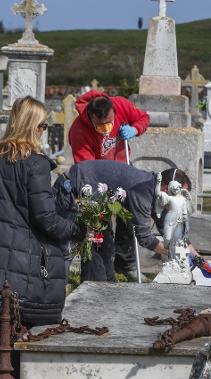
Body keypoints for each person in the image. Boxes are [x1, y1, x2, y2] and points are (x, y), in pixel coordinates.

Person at [0, 96, 83, 377]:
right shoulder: (34, 164)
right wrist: (77, 229)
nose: (44, 131)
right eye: (43, 126)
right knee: (23, 326)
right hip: (24, 260)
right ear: (33, 126)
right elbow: (45, 218)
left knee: (3, 326)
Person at [54, 161, 199, 282]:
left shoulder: (159, 194)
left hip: (96, 201)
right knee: (69, 249)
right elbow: (145, 238)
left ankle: (105, 296)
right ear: (166, 188)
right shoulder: (143, 192)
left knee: (105, 251)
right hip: (73, 189)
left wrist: (197, 258)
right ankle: (53, 294)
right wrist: (176, 253)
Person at [69, 91, 150, 280]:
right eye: (100, 125)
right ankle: (103, 271)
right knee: (100, 223)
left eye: (110, 122)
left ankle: (126, 261)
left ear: (114, 110)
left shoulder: (121, 104)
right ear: (90, 116)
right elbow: (86, 169)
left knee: (130, 214)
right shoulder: (78, 131)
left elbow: (144, 118)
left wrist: (135, 129)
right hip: (98, 180)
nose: (106, 129)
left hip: (124, 169)